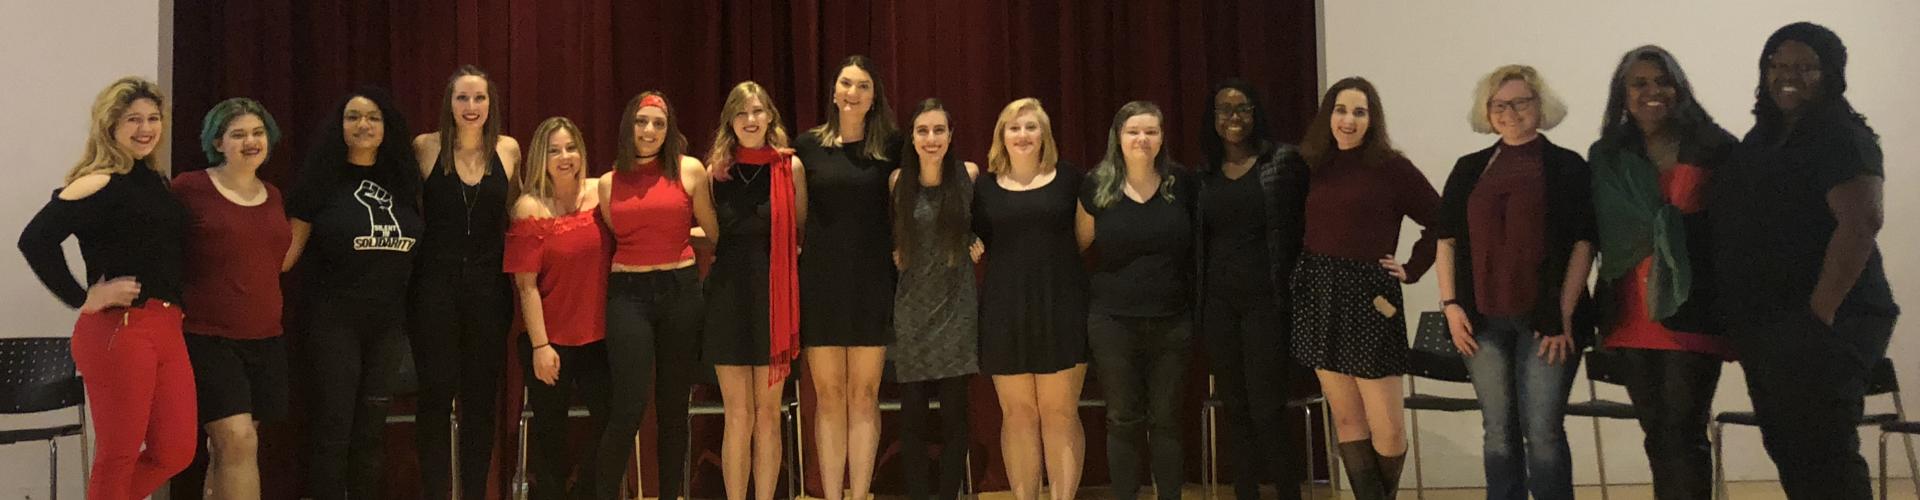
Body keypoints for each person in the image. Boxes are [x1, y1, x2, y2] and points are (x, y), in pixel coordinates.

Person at [1707, 22, 1898, 499]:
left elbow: (1862, 223)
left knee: (1824, 453)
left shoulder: (1840, 134)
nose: (1788, 76)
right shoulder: (1765, 137)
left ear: (1830, 74)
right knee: (1791, 450)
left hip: (1826, 322)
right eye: (1778, 65)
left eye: (1804, 67)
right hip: (1770, 324)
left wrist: (1819, 315)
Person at [17, 76, 195, 500]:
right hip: (121, 329)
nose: (145, 128)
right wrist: (84, 297)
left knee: (176, 451)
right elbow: (34, 239)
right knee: (117, 455)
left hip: (168, 325)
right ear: (110, 125)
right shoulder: (98, 180)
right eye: (133, 119)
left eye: (153, 118)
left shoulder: (154, 180)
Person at [1434, 64, 1595, 500]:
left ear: (1540, 106)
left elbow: (1583, 245)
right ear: (1486, 112)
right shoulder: (1469, 168)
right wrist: (1450, 306)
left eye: (1521, 102)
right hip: (1481, 322)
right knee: (1498, 433)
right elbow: (1445, 241)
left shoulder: (1567, 166)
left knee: (1542, 432)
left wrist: (1563, 314)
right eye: (1499, 104)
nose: (1510, 111)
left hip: (1546, 321)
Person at [1588, 45, 1736, 500]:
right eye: (1640, 83)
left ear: (1678, 87)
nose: (1653, 91)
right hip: (1629, 310)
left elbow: (1737, 230)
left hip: (1694, 308)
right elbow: (1594, 232)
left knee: (1685, 432)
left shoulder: (1714, 145)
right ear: (1623, 94)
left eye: (1662, 81)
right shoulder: (1608, 154)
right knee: (1656, 435)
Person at [1292, 77, 1437, 499]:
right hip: (1320, 291)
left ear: (1372, 119)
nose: (1348, 120)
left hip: (1371, 299)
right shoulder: (1312, 164)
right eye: (1341, 110)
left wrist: (1411, 268)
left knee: (1387, 427)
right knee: (1347, 421)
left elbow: (1443, 220)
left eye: (1359, 111)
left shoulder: (1392, 167)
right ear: (1328, 115)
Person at [286, 86, 422, 499]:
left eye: (373, 118)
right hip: (333, 323)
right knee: (334, 430)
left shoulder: (403, 181)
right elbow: (287, 256)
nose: (363, 125)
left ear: (386, 127)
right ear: (339, 125)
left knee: (371, 432)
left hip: (388, 325)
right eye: (353, 117)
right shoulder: (319, 182)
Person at [176, 97, 295, 500]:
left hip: (265, 338)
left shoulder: (274, 195)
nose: (250, 141)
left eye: (257, 133)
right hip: (208, 337)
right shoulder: (190, 187)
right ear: (218, 142)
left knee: (228, 450)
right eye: (238, 134)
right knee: (239, 442)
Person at [793, 55, 901, 500]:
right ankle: (831, 494)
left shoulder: (892, 147)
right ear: (834, 91)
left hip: (872, 280)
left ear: (874, 97)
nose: (853, 92)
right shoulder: (807, 146)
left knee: (864, 394)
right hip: (820, 281)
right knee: (829, 394)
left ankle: (860, 494)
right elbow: (796, 217)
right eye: (846, 83)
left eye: (863, 86)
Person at [974, 97, 1088, 500]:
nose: (1022, 135)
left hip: (1060, 304)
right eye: (1014, 127)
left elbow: (1083, 237)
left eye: (1031, 127)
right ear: (1001, 136)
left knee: (1060, 414)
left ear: (1045, 135)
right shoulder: (983, 188)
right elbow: (970, 236)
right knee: (1018, 415)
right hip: (1005, 309)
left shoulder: (1071, 180)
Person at [703, 81, 809, 500]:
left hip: (774, 300)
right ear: (731, 120)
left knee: (768, 415)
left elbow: (799, 232)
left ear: (770, 117)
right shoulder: (716, 172)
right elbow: (713, 234)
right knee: (738, 415)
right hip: (728, 299)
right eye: (742, 112)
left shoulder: (790, 169)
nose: (751, 120)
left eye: (758, 111)